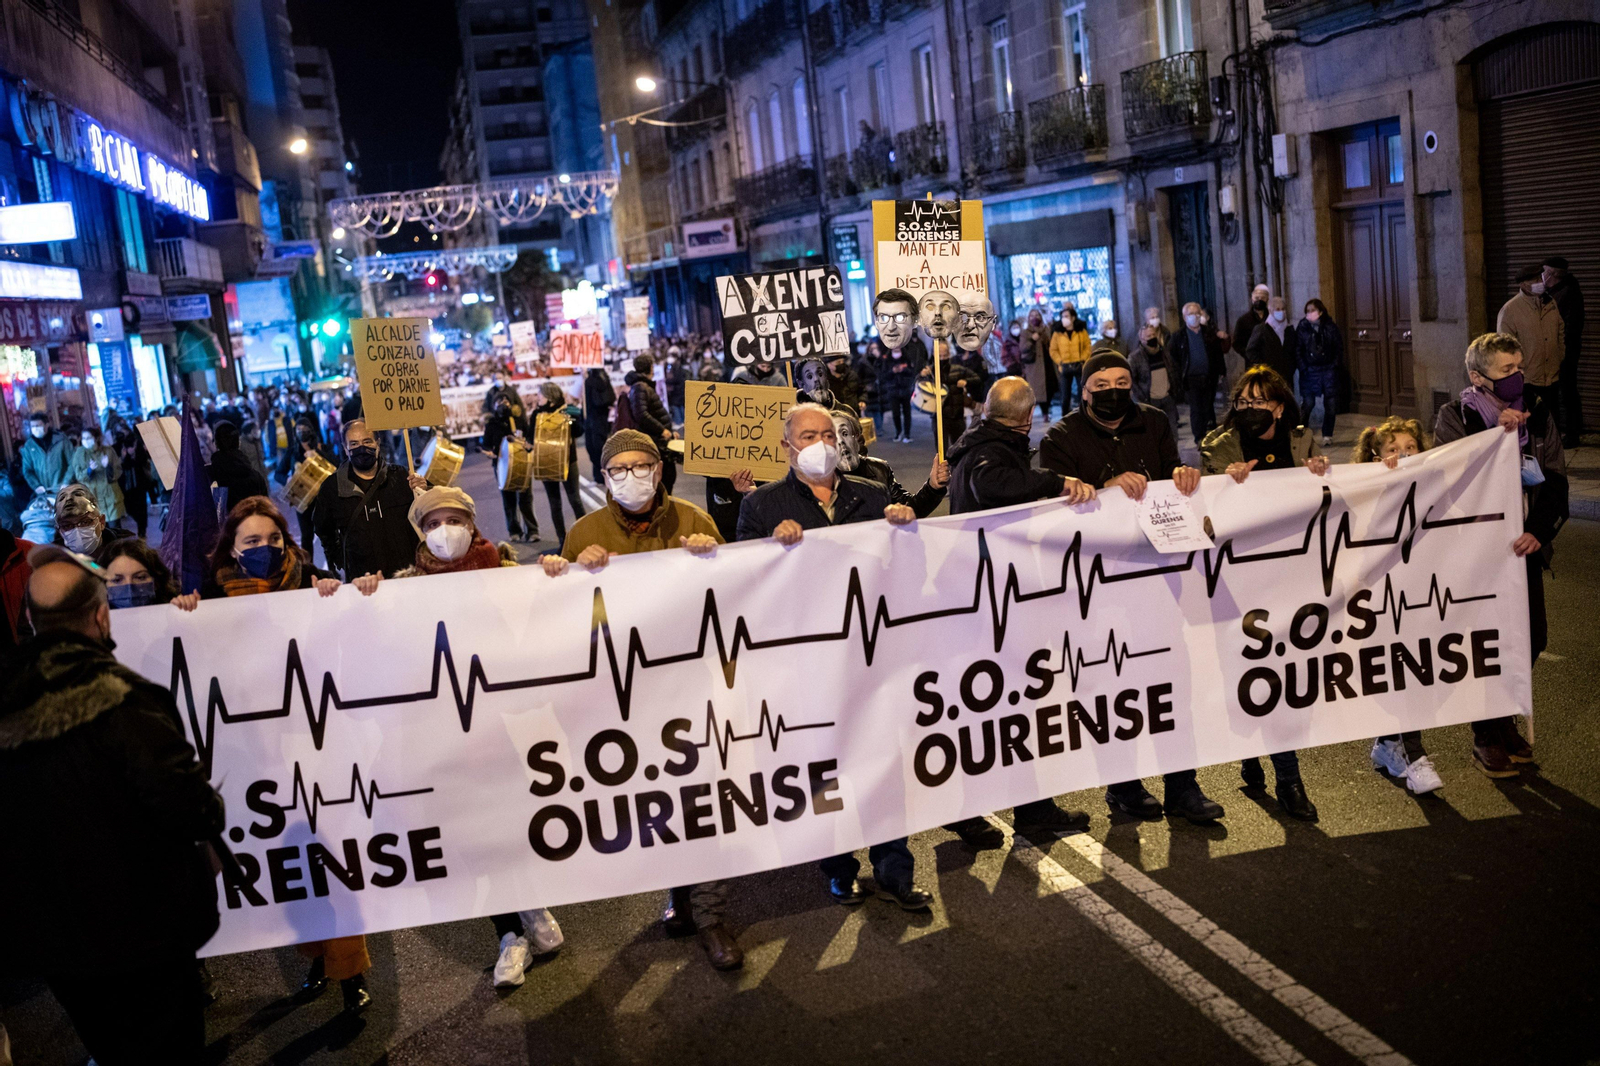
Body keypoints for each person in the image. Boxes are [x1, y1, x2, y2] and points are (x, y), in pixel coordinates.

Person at [0, 545, 225, 1062]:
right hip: (146, 936)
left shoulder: (6, 700)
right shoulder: (127, 701)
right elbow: (191, 809)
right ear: (101, 615)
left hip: (53, 944)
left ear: (32, 621)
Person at [540, 430, 734, 966]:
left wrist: (712, 558)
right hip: (627, 693)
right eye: (617, 469)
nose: (631, 476)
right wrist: (566, 572)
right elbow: (565, 622)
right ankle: (679, 894)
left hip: (691, 685)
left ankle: (712, 917)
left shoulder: (694, 521)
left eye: (640, 465)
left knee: (700, 800)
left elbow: (737, 591)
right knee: (659, 802)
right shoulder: (583, 532)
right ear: (604, 478)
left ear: (659, 468)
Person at [735, 405, 933, 909]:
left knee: (882, 760)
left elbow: (904, 569)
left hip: (869, 654)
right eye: (808, 435)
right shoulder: (762, 506)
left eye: (827, 433)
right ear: (787, 447)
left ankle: (895, 869)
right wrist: (769, 550)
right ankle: (839, 868)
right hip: (807, 662)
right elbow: (743, 586)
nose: (821, 442)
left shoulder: (870, 495)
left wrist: (905, 526)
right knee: (826, 769)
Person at [200, 496, 379, 1010]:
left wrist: (350, 591)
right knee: (293, 864)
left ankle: (351, 976)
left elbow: (355, 625)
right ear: (231, 550)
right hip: (259, 754)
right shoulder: (212, 599)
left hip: (319, 746)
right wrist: (183, 615)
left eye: (273, 539)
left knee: (334, 855)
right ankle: (318, 958)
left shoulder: (310, 581)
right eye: (251, 542)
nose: (264, 548)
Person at [1038, 354, 1225, 825]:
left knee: (1170, 685)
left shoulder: (1156, 422)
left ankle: (1183, 786)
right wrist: (1106, 488)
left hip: (1157, 579)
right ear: (1084, 391)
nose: (1114, 390)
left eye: (1122, 381)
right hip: (1098, 589)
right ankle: (1123, 787)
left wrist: (1182, 476)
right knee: (1111, 692)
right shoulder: (1061, 438)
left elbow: (1171, 475)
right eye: (1102, 383)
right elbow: (1050, 506)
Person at [391, 486, 565, 986]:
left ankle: (529, 904)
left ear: (472, 522)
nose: (444, 532)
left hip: (508, 728)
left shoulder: (508, 573)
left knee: (515, 820)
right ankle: (510, 932)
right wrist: (358, 596)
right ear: (420, 533)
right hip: (446, 736)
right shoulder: (404, 589)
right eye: (431, 524)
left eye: (454, 519)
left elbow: (551, 621)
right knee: (471, 833)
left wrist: (554, 576)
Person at [943, 377, 1096, 847]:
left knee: (1019, 706)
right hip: (992, 596)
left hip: (1004, 591)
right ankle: (968, 811)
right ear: (1027, 418)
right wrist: (1055, 481)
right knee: (990, 709)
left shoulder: (984, 439)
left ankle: (1033, 807)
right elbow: (992, 485)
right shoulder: (987, 451)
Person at [1197, 366, 1330, 821]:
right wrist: (1223, 484)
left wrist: (1319, 474)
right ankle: (1284, 775)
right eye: (1243, 403)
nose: (1250, 411)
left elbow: (1322, 499)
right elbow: (1208, 517)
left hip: (1292, 578)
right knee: (1255, 673)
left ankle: (1278, 769)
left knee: (1286, 677)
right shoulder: (1219, 445)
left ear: (1278, 405)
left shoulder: (1300, 440)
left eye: (1260, 403)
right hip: (1242, 581)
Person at [1434, 332, 1567, 778]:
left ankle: (1501, 719)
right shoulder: (1456, 416)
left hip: (1523, 547)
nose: (1518, 377)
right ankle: (1487, 735)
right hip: (1479, 554)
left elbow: (1555, 479)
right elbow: (1453, 481)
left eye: (1520, 366)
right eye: (1506, 370)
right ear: (1478, 377)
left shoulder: (1539, 411)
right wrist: (1496, 436)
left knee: (1532, 638)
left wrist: (1537, 531)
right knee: (1488, 646)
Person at [1349, 417, 1446, 795]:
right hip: (1378, 600)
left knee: (1412, 671)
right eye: (1393, 449)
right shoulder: (1364, 490)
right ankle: (1414, 756)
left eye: (1410, 448)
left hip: (1418, 596)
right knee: (1398, 671)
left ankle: (1389, 746)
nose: (1403, 455)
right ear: (1375, 456)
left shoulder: (1431, 485)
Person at [311, 418, 426, 580]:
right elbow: (323, 530)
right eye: (354, 444)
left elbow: (431, 512)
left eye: (367, 441)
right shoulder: (332, 488)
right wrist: (342, 560)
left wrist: (425, 488)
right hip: (363, 581)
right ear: (345, 448)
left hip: (406, 575)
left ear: (377, 443)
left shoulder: (401, 477)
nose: (362, 448)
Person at [831, 410, 948, 518]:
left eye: (845, 433)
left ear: (857, 438)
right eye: (832, 438)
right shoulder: (818, 482)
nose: (840, 442)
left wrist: (933, 487)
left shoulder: (878, 470)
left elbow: (908, 510)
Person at [1496, 264, 1566, 426]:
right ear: (1522, 284)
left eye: (1539, 278)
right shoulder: (1510, 310)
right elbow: (1504, 347)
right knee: (1533, 426)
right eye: (1533, 280)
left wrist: (1559, 356)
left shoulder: (1550, 303)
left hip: (1551, 377)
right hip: (1528, 380)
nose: (1539, 282)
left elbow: (1560, 331)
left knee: (1552, 423)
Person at [531, 382, 587, 546]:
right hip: (547, 463)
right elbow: (530, 436)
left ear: (549, 398)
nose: (538, 398)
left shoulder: (566, 411)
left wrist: (569, 420)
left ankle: (586, 533)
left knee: (575, 500)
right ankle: (563, 541)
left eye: (540, 395)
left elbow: (579, 431)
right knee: (555, 504)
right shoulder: (536, 414)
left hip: (568, 461)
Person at [483, 395, 541, 543]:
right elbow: (487, 445)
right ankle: (514, 531)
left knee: (525, 498)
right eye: (499, 402)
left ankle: (532, 530)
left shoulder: (519, 420)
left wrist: (529, 445)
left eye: (506, 401)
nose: (503, 404)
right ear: (494, 406)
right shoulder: (492, 424)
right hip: (502, 466)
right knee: (508, 500)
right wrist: (489, 453)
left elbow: (529, 438)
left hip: (522, 463)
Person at [1168, 301, 1226, 446]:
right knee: (1196, 408)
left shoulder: (1208, 333)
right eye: (1190, 314)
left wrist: (1221, 371)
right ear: (1184, 316)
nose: (1194, 316)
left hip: (1208, 376)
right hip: (1191, 378)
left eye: (1196, 313)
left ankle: (1210, 435)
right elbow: (1173, 358)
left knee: (1208, 407)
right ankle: (1199, 437)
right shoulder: (1178, 337)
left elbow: (1218, 353)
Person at [1542, 256, 1584, 447]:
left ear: (1552, 274)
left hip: (1565, 351)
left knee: (1567, 390)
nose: (1541, 275)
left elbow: (1569, 326)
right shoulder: (1556, 291)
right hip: (1558, 349)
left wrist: (1560, 350)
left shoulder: (1567, 293)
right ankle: (1563, 430)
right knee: (1563, 390)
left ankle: (1572, 433)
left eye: (1544, 271)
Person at [872, 288, 923, 443]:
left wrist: (905, 369)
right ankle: (898, 433)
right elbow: (881, 374)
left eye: (900, 317)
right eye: (883, 317)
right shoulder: (884, 355)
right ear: (876, 322)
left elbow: (914, 369)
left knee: (906, 412)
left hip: (906, 388)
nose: (891, 327)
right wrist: (892, 371)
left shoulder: (911, 350)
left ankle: (906, 434)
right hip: (893, 389)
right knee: (895, 413)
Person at [625, 354, 677, 493]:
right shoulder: (640, 387)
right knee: (664, 481)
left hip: (659, 440)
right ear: (648, 368)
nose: (653, 370)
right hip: (655, 441)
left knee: (668, 479)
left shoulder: (643, 386)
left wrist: (669, 432)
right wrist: (662, 430)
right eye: (652, 366)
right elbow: (641, 415)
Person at [1295, 298, 1344, 447]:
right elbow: (1298, 350)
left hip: (1328, 370)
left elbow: (1338, 348)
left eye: (1313, 310)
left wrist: (1334, 366)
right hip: (1310, 371)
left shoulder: (1330, 327)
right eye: (1308, 311)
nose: (1310, 314)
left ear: (1320, 311)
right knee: (1308, 404)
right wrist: (1303, 367)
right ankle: (1300, 433)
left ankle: (1327, 434)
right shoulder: (1302, 327)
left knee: (1331, 404)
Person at [53, 485, 134, 565]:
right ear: (60, 531)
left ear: (101, 522)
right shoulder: (54, 561)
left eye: (84, 522)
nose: (77, 530)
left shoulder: (127, 549)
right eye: (67, 526)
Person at [206, 420, 269, 515]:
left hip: (225, 528)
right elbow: (265, 509)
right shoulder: (255, 476)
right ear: (238, 443)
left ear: (216, 444)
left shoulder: (208, 477)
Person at [67, 425, 125, 526]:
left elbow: (118, 471)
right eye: (84, 438)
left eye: (89, 438)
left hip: (110, 497)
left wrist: (108, 467)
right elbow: (79, 475)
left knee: (115, 530)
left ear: (96, 438)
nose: (86, 441)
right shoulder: (79, 453)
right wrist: (89, 470)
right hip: (92, 498)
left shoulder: (108, 451)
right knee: (99, 532)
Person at [102, 538, 182, 609]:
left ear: (156, 582)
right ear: (102, 584)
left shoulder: (170, 610)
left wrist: (185, 611)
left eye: (140, 577)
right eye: (117, 580)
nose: (130, 589)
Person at [1246, 295, 1298, 387]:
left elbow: (1293, 351)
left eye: (1283, 309)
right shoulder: (1262, 329)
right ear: (1271, 311)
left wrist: (1291, 367)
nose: (1281, 312)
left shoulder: (1289, 329)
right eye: (1277, 309)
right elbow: (1251, 351)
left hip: (1286, 376)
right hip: (1269, 377)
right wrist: (1263, 368)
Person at [1050, 303, 1091, 414]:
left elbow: (1087, 346)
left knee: (1081, 392)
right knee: (1065, 396)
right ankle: (1065, 417)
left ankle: (1082, 414)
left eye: (1067, 316)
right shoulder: (1058, 333)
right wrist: (1060, 361)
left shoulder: (1081, 331)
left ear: (1073, 318)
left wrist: (1083, 359)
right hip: (1064, 367)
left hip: (1079, 365)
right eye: (1063, 317)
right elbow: (1053, 350)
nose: (1064, 319)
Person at [21, 412, 71, 500]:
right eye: (33, 426)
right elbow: (27, 470)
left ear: (47, 424)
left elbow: (73, 463)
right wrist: (36, 486)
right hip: (43, 494)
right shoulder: (29, 445)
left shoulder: (60, 440)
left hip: (63, 489)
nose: (35, 428)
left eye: (38, 425)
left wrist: (66, 482)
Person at [584, 366, 617, 476]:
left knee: (596, 448)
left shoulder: (593, 379)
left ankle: (602, 475)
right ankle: (600, 476)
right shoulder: (600, 378)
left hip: (596, 419)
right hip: (598, 419)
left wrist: (585, 378)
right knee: (596, 447)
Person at [1020, 307, 1053, 420]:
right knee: (1039, 390)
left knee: (1050, 387)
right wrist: (1032, 340)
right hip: (1035, 366)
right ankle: (1045, 412)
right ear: (1028, 318)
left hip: (1047, 363)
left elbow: (1050, 342)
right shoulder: (1025, 332)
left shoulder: (1046, 329)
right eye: (1032, 315)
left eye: (1037, 315)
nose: (1035, 318)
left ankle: (1048, 408)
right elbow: (1023, 348)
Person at [1232, 284, 1271, 364]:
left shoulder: (1272, 317)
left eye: (1263, 298)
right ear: (1252, 299)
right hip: (1252, 362)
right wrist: (1248, 354)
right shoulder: (1243, 320)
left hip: (1270, 361)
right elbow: (1236, 343)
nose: (1259, 300)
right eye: (1257, 298)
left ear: (1267, 299)